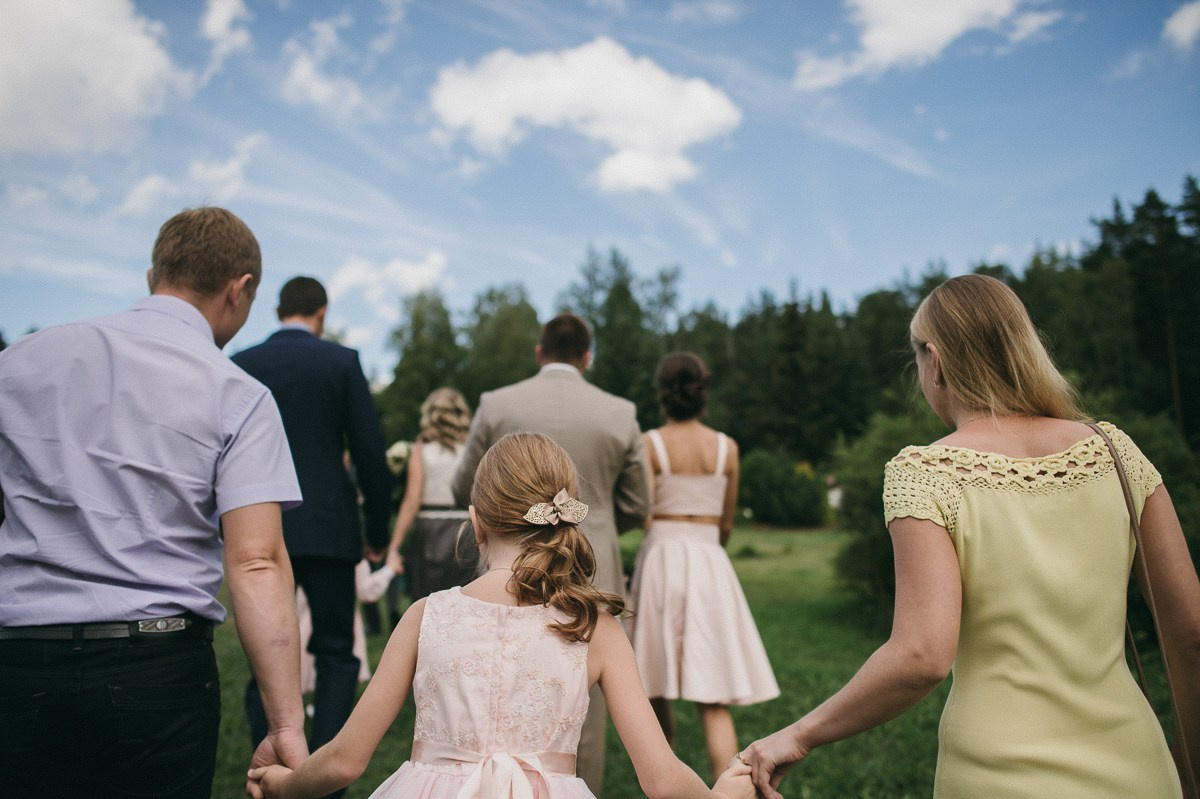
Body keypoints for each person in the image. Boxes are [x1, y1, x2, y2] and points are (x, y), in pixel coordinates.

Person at [740, 274, 1200, 799]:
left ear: (935, 361)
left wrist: (799, 735)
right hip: (1138, 769)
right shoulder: (1115, 451)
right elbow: (1190, 630)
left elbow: (922, 656)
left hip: (996, 775)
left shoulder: (923, 472)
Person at [248, 432, 756, 799]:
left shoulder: (427, 615)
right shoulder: (593, 627)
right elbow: (662, 780)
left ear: (477, 522)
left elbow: (344, 761)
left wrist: (285, 785)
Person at [0, 206, 306, 798]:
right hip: (156, 673)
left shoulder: (18, 362)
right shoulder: (238, 394)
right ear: (239, 289)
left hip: (18, 665)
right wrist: (285, 725)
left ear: (154, 276)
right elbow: (256, 562)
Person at [450, 312, 651, 794]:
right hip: (591, 564)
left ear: (539, 352)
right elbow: (638, 504)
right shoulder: (620, 412)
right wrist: (586, 523)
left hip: (504, 571)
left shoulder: (496, 404)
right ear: (587, 357)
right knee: (588, 706)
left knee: (492, 692)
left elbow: (463, 487)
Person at [234, 275, 394, 794]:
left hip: (259, 528)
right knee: (335, 653)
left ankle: (268, 770)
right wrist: (377, 532)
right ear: (321, 313)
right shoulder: (341, 362)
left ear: (278, 310)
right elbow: (370, 452)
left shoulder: (243, 363)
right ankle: (322, 782)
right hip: (328, 527)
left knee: (265, 655)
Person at [629, 352, 779, 781]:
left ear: (663, 393)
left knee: (652, 684)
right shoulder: (727, 448)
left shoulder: (649, 444)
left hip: (661, 560)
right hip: (710, 560)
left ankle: (664, 781)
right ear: (702, 392)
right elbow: (726, 523)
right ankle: (726, 791)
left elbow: (643, 514)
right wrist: (707, 545)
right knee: (714, 699)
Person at [387, 387, 476, 600]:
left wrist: (394, 547)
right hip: (467, 532)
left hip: (429, 534)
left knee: (428, 603)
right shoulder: (473, 450)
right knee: (467, 602)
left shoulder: (420, 451)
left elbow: (411, 501)